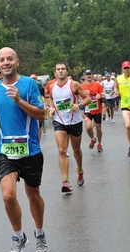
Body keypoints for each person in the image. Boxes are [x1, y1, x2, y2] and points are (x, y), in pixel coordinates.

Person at [0, 47, 49, 252]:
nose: (6, 62)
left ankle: (39, 234)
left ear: (17, 62)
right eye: (2, 59)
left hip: (30, 150)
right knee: (8, 196)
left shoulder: (29, 84)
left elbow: (42, 114)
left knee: (33, 196)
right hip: (5, 150)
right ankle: (18, 237)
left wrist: (19, 101)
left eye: (10, 59)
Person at [49, 62, 91, 192]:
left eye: (63, 69)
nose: (60, 71)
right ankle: (66, 181)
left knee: (76, 149)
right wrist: (51, 107)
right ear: (55, 72)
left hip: (74, 121)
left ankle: (80, 170)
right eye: (58, 69)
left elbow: (88, 99)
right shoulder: (51, 86)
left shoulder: (74, 85)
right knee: (62, 150)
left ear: (67, 71)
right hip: (59, 120)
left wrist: (79, 105)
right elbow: (50, 98)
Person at [81, 69, 105, 152]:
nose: (88, 76)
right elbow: (79, 97)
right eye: (87, 74)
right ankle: (92, 138)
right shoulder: (82, 86)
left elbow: (103, 95)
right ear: (84, 76)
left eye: (90, 74)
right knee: (88, 127)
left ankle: (99, 144)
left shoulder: (98, 85)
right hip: (87, 110)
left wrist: (100, 96)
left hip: (97, 109)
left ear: (92, 75)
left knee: (98, 128)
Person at [31, 74, 46, 139]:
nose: (33, 80)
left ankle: (38, 141)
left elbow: (43, 96)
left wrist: (44, 105)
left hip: (39, 106)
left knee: (39, 126)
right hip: (31, 107)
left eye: (34, 78)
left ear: (36, 79)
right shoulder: (28, 86)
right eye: (32, 78)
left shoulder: (40, 87)